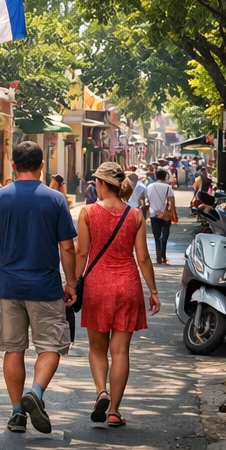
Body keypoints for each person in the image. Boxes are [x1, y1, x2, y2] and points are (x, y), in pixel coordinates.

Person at [0, 141, 78, 435]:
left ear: (13, 166)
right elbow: (67, 248)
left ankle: (16, 414)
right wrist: (71, 282)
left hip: (8, 286)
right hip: (46, 287)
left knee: (13, 350)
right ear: (42, 166)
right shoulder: (56, 199)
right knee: (51, 346)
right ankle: (35, 392)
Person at [77, 163, 160, 427]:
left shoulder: (88, 212)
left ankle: (101, 390)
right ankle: (114, 410)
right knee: (120, 350)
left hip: (97, 286)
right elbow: (143, 257)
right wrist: (154, 291)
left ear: (101, 184)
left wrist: (71, 283)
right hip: (128, 285)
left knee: (97, 347)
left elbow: (81, 253)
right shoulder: (135, 215)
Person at [144, 168, 175, 264]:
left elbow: (147, 201)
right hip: (165, 215)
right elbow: (172, 201)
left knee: (156, 237)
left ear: (156, 176)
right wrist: (170, 212)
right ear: (165, 176)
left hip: (153, 215)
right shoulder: (167, 187)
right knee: (164, 237)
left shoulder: (149, 187)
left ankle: (158, 257)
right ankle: (163, 256)